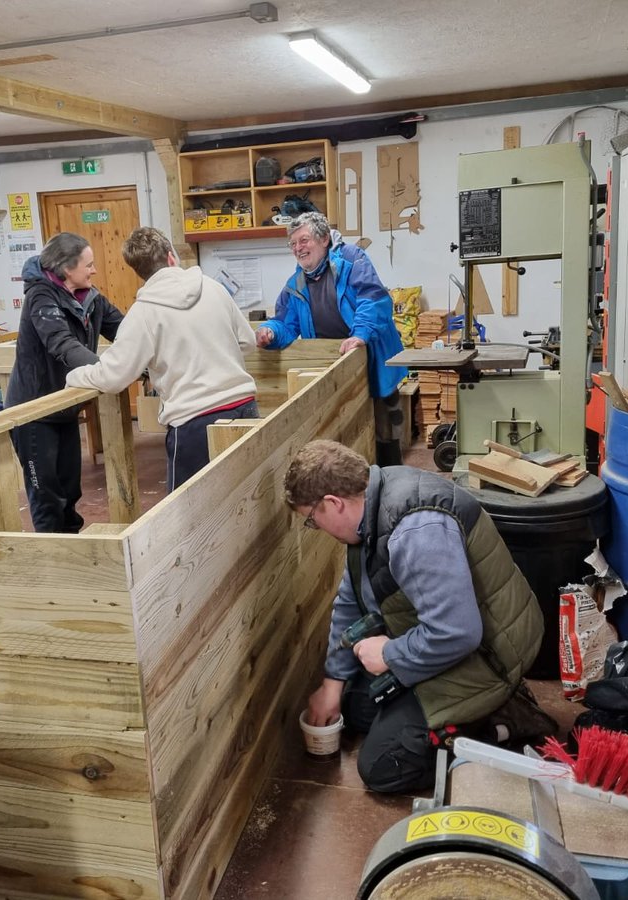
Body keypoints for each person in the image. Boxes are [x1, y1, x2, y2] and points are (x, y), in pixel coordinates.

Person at [284, 440, 549, 793]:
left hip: (491, 655)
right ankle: (467, 714)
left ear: (333, 503)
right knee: (355, 706)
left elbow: (457, 632)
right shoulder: (372, 502)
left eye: (312, 520)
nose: (316, 528)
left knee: (383, 766)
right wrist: (332, 683)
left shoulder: (415, 531)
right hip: (464, 638)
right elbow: (351, 599)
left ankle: (500, 722)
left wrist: (389, 654)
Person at [67, 227, 258, 491]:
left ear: (139, 272)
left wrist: (75, 376)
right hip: (244, 407)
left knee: (189, 516)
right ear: (171, 257)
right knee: (250, 498)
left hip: (195, 422)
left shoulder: (143, 313)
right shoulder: (214, 289)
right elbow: (248, 342)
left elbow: (112, 377)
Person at [256, 213, 406, 466]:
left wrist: (360, 335)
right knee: (347, 427)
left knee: (384, 425)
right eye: (293, 244)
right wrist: (270, 332)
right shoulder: (296, 283)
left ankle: (391, 477)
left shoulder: (352, 260)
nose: (298, 249)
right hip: (336, 363)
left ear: (324, 238)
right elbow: (285, 322)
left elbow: (374, 299)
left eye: (303, 240)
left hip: (372, 354)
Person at [6, 232, 124, 533]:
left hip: (65, 408)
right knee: (47, 496)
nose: (94, 270)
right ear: (66, 268)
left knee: (70, 491)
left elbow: (125, 329)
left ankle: (73, 553)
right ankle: (53, 566)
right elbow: (62, 343)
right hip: (34, 412)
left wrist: (148, 359)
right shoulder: (41, 296)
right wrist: (104, 370)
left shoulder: (90, 299)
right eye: (89, 265)